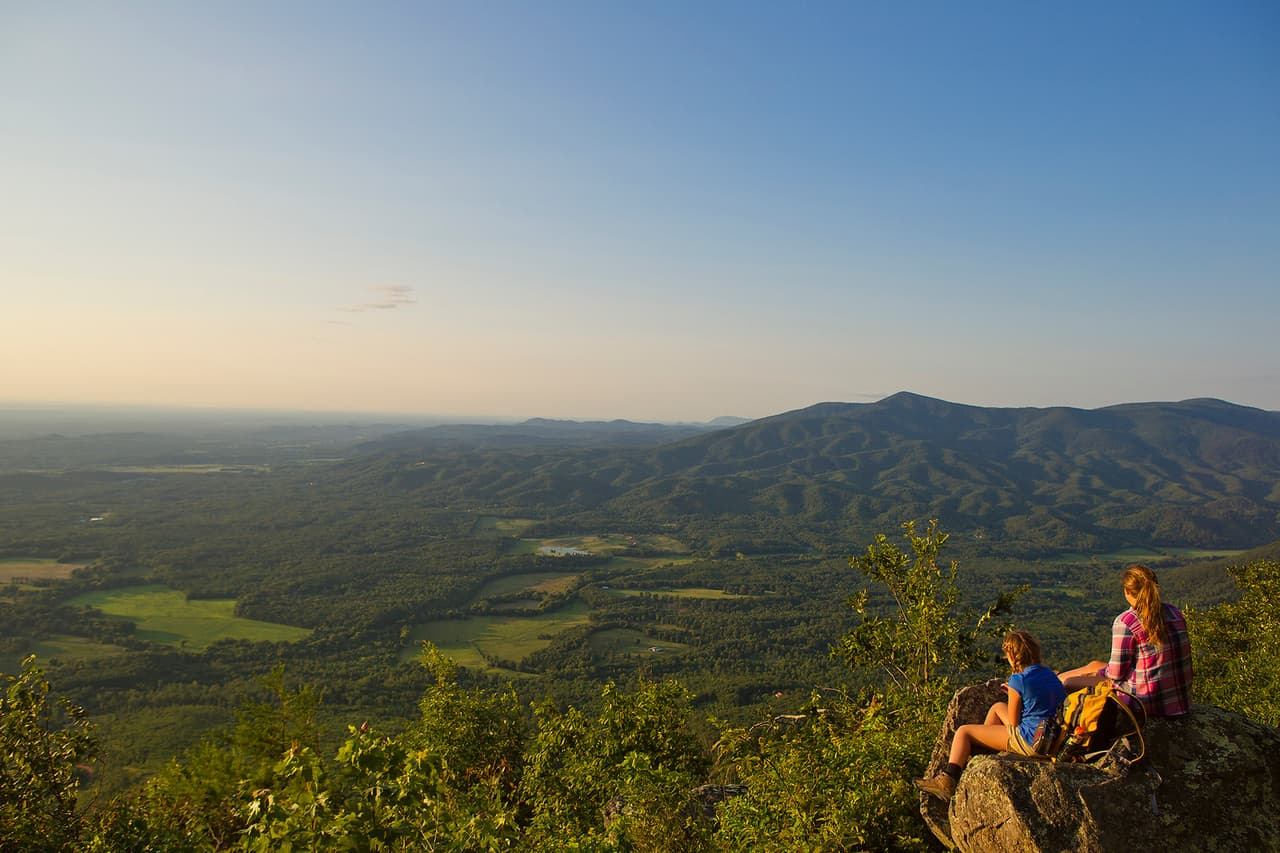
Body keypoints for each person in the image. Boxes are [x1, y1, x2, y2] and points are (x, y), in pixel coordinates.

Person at [915, 630, 1066, 802]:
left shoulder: (1018, 680)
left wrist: (1013, 693)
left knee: (964, 732)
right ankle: (984, 749)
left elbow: (1014, 722)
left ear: (1012, 655)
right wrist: (1015, 694)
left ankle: (948, 780)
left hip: (1031, 741)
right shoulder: (1050, 674)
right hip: (1050, 738)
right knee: (997, 707)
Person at [1058, 564, 1192, 718]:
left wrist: (1097, 674)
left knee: (1067, 683)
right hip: (1180, 702)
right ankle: (1059, 677)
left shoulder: (1126, 622)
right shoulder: (1174, 613)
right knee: (1094, 664)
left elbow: (1115, 674)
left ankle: (1056, 680)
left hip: (1143, 703)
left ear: (1127, 591)